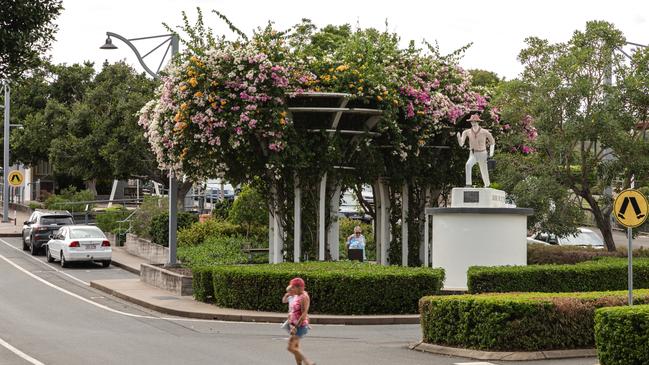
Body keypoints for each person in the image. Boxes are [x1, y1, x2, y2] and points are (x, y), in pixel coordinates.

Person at [457, 114, 496, 187]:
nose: (473, 122)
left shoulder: (484, 131)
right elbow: (461, 144)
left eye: (475, 121)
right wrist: (459, 138)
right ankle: (468, 184)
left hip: (482, 153)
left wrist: (491, 153)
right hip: (473, 153)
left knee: (483, 170)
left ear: (478, 122)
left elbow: (492, 142)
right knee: (468, 165)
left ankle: (487, 185)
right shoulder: (467, 132)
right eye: (472, 121)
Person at [286, 277, 314, 365]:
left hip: (300, 326)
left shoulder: (303, 297)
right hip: (296, 325)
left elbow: (303, 314)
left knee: (291, 347)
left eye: (293, 287)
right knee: (296, 347)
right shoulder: (298, 295)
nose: (292, 289)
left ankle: (308, 362)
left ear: (299, 287)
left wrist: (295, 327)